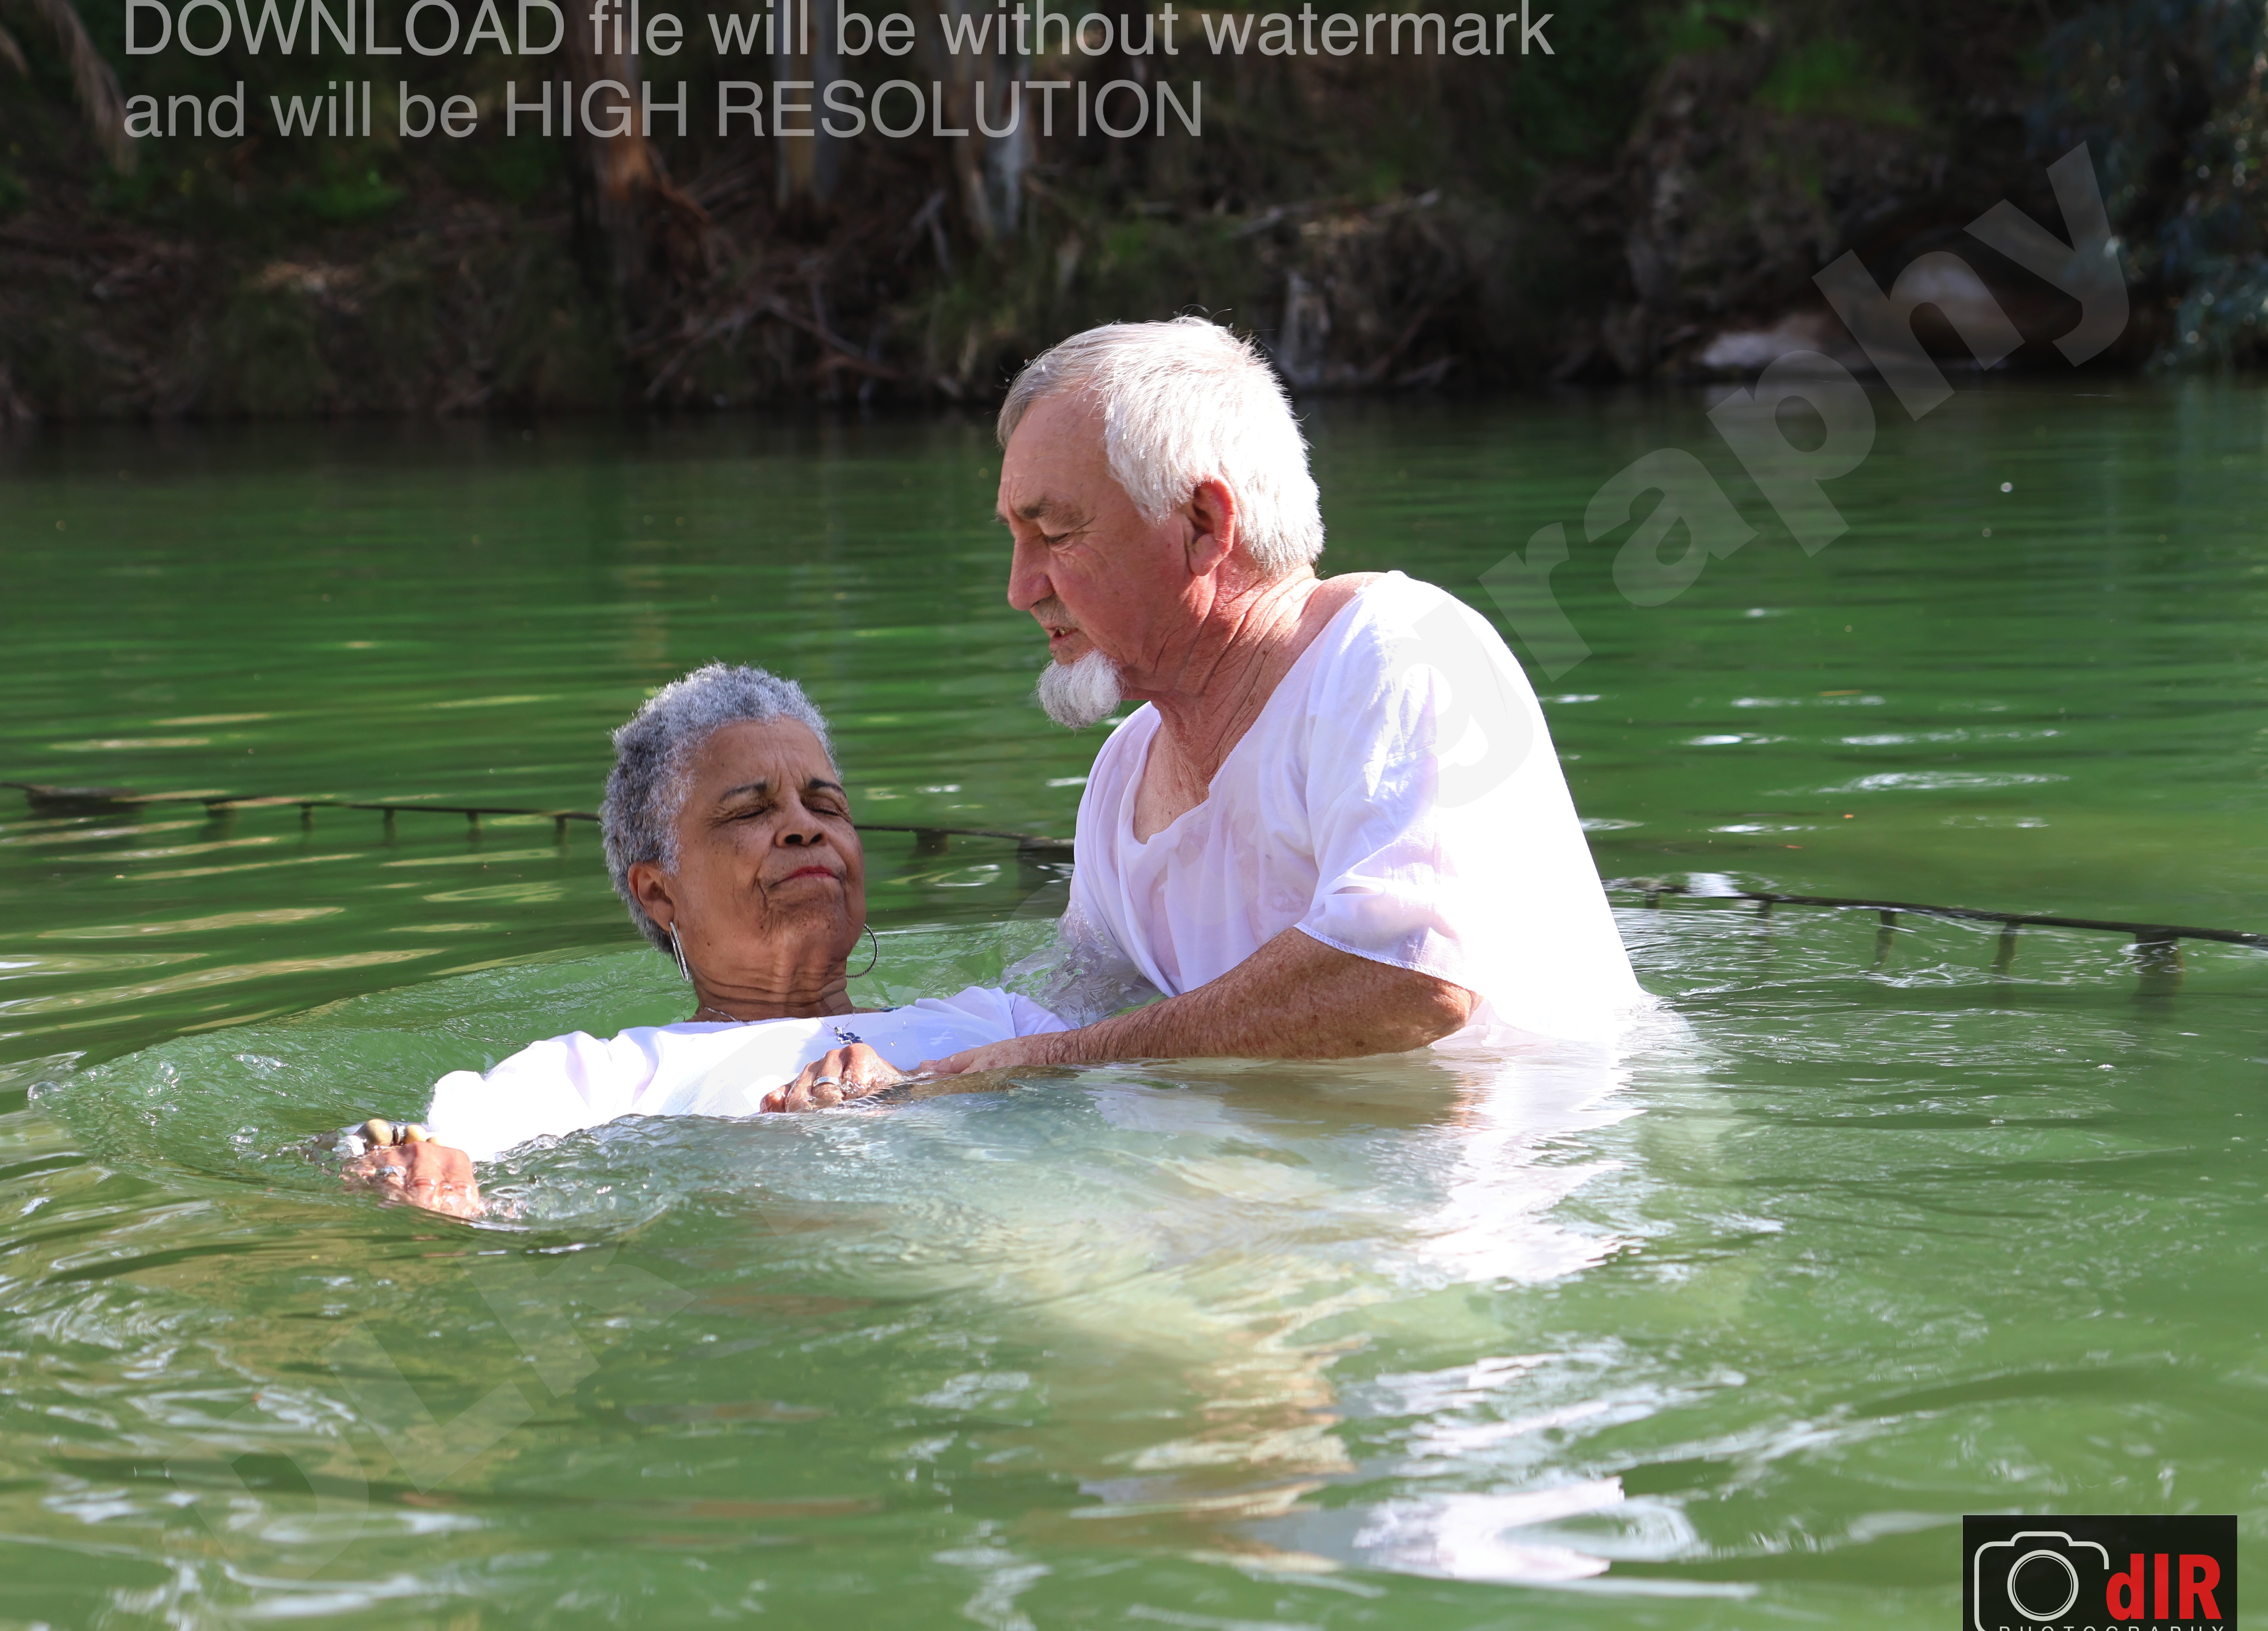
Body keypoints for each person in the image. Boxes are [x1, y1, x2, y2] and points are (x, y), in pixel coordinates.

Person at [791, 317, 1642, 1102]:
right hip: (1278, 1191)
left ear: (1203, 523)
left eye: (1054, 535)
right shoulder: (1122, 774)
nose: (1020, 589)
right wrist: (862, 1051)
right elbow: (1067, 1005)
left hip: (1491, 1194)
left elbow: (1410, 978)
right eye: (1014, 540)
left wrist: (1057, 1059)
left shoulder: (1396, 651)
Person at [339, 664, 1067, 1215]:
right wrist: (412, 1167)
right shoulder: (595, 1078)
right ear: (660, 893)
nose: (804, 826)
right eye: (749, 812)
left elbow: (1131, 1085)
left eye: (826, 806)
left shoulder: (1006, 1022)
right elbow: (419, 1150)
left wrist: (928, 1087)